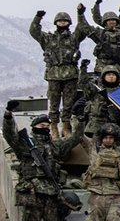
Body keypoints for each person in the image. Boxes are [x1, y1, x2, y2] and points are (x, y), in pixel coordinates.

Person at [2, 102, 84, 221]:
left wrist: (80, 119)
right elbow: (9, 136)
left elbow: (75, 138)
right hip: (33, 194)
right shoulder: (25, 145)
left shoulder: (55, 146)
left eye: (47, 126)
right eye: (41, 126)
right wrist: (8, 116)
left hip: (52, 194)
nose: (44, 128)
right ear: (34, 127)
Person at [29, 8, 85, 137]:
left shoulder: (73, 38)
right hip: (54, 74)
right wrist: (38, 18)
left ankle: (66, 126)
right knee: (54, 103)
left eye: (65, 21)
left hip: (70, 74)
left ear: (69, 23)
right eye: (60, 21)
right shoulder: (48, 38)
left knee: (68, 103)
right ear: (56, 23)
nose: (62, 23)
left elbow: (82, 29)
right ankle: (53, 126)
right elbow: (34, 31)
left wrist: (80, 14)